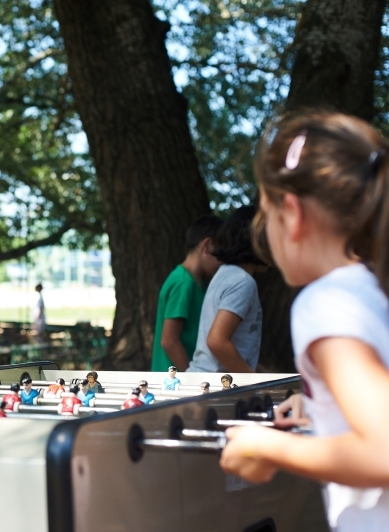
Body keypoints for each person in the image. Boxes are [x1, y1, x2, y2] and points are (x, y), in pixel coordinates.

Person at [219, 112, 389, 531]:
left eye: (265, 216)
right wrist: (320, 408)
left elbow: (383, 450)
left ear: (291, 213)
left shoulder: (326, 302)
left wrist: (269, 448)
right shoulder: (373, 287)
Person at [187, 206, 267, 373]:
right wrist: (251, 380)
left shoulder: (226, 274)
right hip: (217, 389)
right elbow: (217, 341)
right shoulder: (243, 282)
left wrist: (263, 375)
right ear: (254, 241)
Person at [151, 215, 223, 372]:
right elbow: (169, 341)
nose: (223, 262)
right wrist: (192, 377)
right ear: (207, 245)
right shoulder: (183, 283)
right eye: (221, 254)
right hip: (175, 383)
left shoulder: (196, 282)